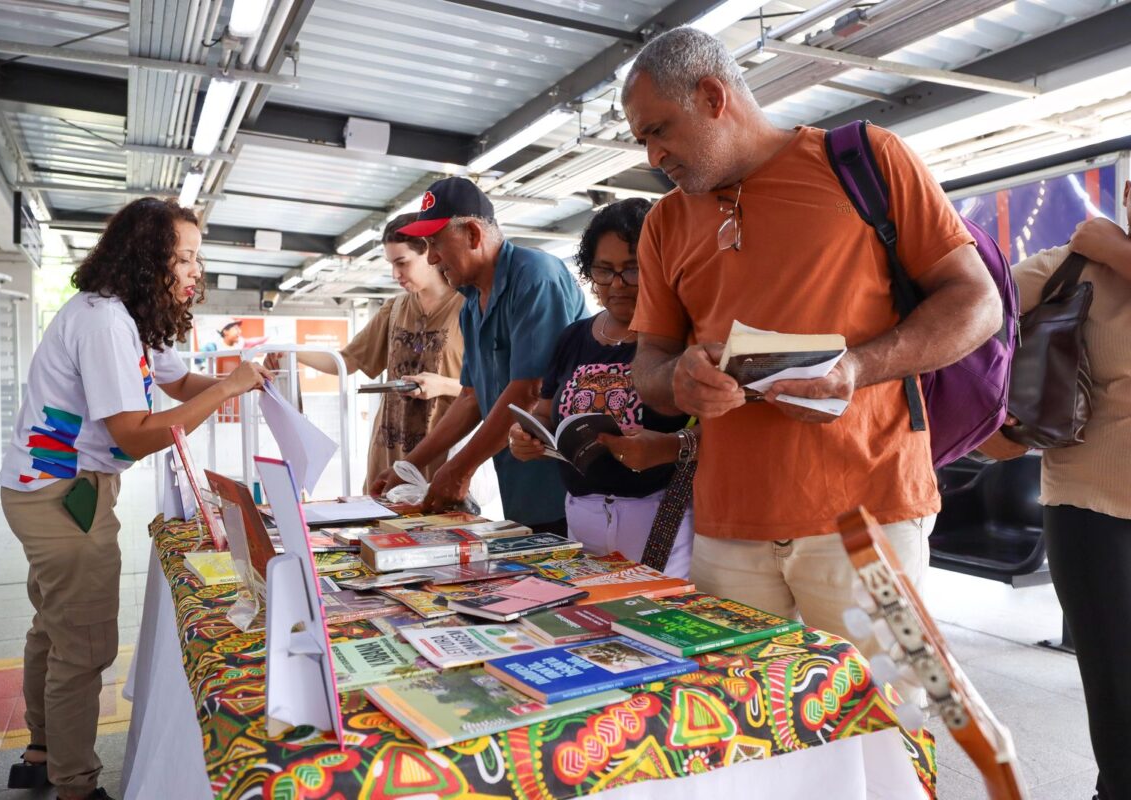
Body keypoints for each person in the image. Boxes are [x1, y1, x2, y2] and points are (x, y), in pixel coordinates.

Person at [621, 28, 1001, 683]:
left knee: (894, 719)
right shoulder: (663, 224)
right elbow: (648, 365)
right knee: (737, 731)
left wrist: (856, 368)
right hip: (726, 529)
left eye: (660, 131)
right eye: (643, 141)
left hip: (870, 519)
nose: (656, 157)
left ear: (714, 96)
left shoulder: (864, 160)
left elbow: (976, 303)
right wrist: (675, 380)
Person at [0, 199, 271, 800]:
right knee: (86, 644)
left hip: (55, 488)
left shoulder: (130, 316)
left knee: (54, 626)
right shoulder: (103, 322)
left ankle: (43, 752)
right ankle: (74, 784)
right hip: (60, 494)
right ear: (150, 260)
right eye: (187, 258)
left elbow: (175, 382)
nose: (197, 271)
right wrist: (228, 385)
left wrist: (249, 388)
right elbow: (136, 433)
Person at [980, 182, 1131, 800]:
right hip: (1094, 512)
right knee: (1118, 696)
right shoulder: (1073, 264)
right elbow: (967, 317)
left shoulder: (1106, 253)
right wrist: (989, 422)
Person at [372, 177, 587, 532]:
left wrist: (460, 469)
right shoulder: (472, 306)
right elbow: (470, 398)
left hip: (567, 482)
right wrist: (407, 466)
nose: (434, 257)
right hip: (521, 486)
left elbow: (530, 390)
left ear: (473, 234)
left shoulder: (535, 278)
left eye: (436, 243)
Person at [508, 198, 695, 577]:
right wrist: (525, 437)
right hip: (580, 515)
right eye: (604, 270)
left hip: (660, 517)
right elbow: (546, 414)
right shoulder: (573, 337)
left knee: (650, 620)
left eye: (632, 270)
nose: (617, 284)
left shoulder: (684, 335)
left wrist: (665, 449)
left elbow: (717, 428)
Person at [266, 214, 465, 490]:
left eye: (402, 263)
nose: (396, 275)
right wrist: (293, 351)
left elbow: (488, 391)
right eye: (391, 265)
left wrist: (441, 384)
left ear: (430, 253)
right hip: (388, 457)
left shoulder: (467, 309)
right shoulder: (393, 310)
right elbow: (346, 361)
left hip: (439, 457)